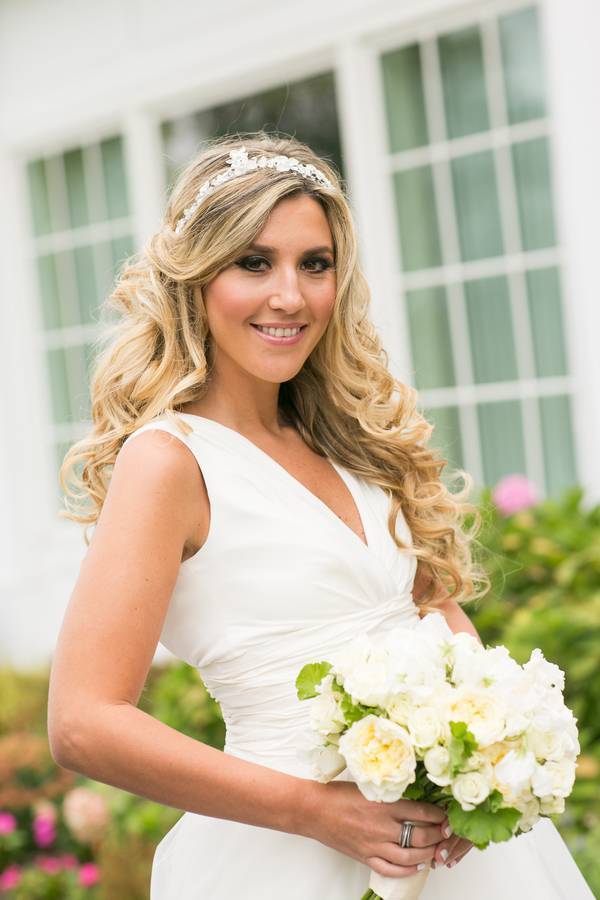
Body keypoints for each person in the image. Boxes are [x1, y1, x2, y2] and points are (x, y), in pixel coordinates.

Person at [47, 132, 594, 898]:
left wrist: (488, 756)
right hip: (283, 858)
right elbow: (82, 723)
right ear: (196, 278)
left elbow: (436, 615)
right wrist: (314, 811)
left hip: (455, 856)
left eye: (315, 263)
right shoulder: (170, 462)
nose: (291, 296)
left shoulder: (355, 444)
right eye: (253, 262)